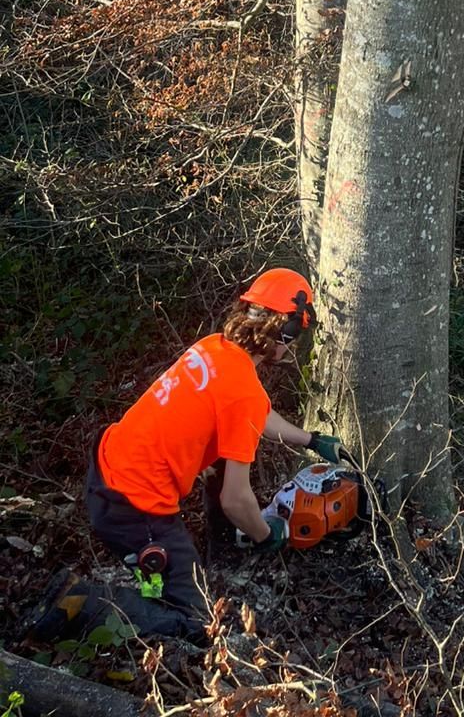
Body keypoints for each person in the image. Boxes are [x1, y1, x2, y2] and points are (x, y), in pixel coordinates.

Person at [27, 268, 341, 647]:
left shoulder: (215, 348)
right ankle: (80, 603)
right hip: (134, 509)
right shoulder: (244, 391)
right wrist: (266, 533)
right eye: (295, 337)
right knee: (199, 624)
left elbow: (252, 414)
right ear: (284, 331)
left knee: (220, 464)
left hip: (108, 471)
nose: (292, 346)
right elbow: (235, 498)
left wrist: (311, 439)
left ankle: (205, 560)